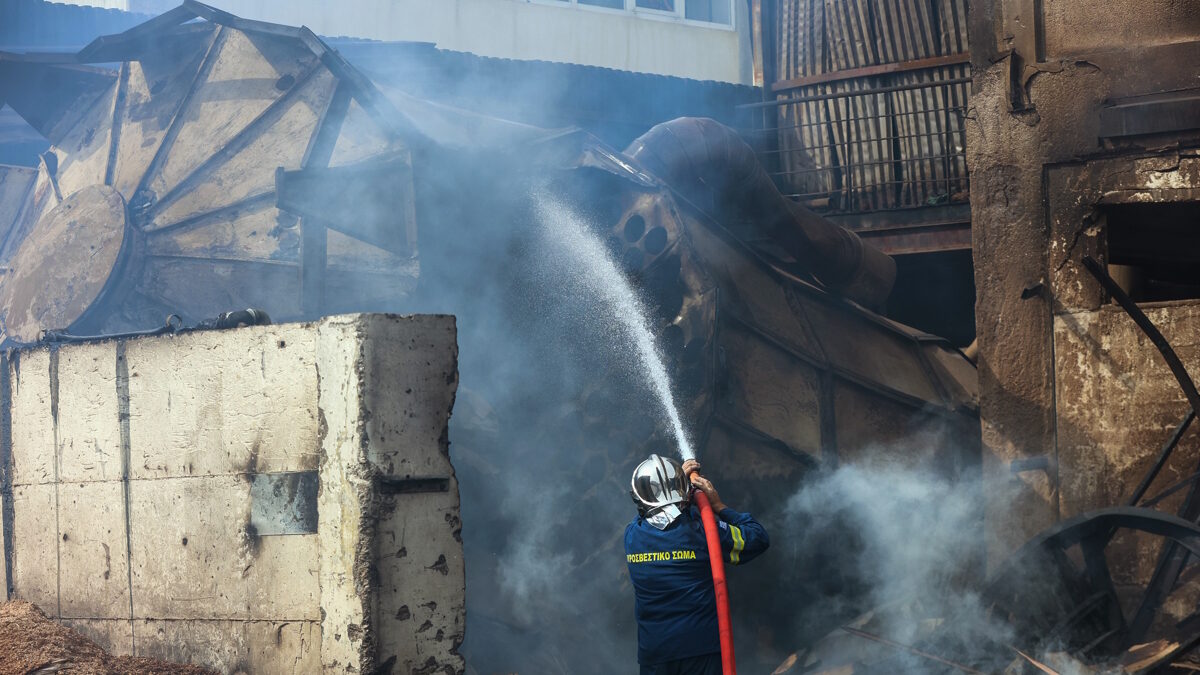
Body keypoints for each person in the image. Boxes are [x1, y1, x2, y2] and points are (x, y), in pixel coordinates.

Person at [624, 454, 769, 675]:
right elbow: (757, 539)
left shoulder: (632, 537)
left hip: (654, 656)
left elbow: (653, 516)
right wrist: (718, 505)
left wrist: (676, 491)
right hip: (701, 651)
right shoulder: (703, 533)